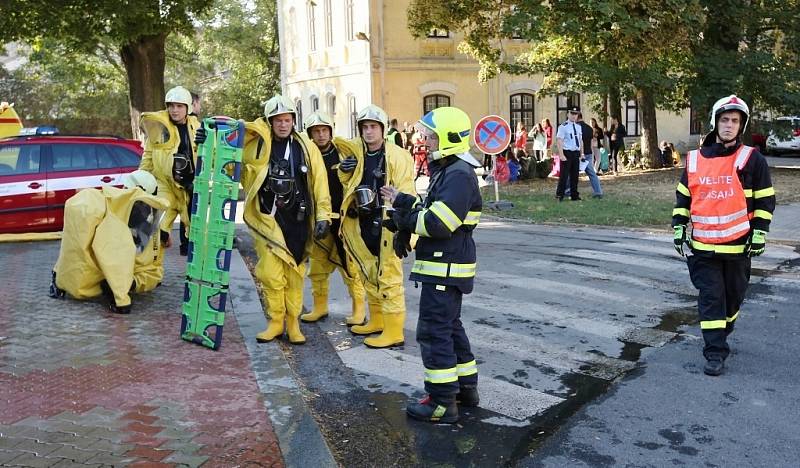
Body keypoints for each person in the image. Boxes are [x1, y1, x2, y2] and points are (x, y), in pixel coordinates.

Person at [380, 106, 482, 424]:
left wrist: (402, 220)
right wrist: (401, 202)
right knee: (449, 328)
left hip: (444, 267)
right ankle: (465, 389)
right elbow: (430, 208)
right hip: (446, 267)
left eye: (432, 136)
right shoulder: (451, 170)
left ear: (448, 138)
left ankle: (440, 403)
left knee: (433, 331)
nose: (426, 141)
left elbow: (438, 223)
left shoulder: (458, 175)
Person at [672, 95, 775, 376]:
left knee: (733, 299)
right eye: (725, 119)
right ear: (715, 122)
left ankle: (724, 328)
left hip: (738, 247)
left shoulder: (752, 159)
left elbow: (766, 200)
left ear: (741, 125)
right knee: (711, 298)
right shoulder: (694, 160)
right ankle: (714, 352)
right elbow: (684, 197)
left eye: (735, 121)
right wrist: (679, 226)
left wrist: (760, 233)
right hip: (703, 247)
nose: (729, 125)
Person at [236, 95, 332, 345]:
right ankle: (275, 322)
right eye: (277, 120)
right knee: (270, 274)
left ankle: (293, 323)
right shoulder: (256, 145)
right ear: (269, 122)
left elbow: (320, 183)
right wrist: (208, 145)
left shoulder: (306, 148)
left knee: (295, 275)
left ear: (293, 121)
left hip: (298, 221)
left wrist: (323, 216)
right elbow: (230, 165)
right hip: (268, 220)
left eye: (287, 119)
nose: (282, 124)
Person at [338, 105, 416, 348]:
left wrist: (402, 226)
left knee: (389, 276)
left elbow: (406, 191)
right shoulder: (357, 154)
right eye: (365, 127)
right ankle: (377, 321)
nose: (368, 131)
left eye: (373, 127)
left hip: (386, 224)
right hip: (361, 221)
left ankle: (394, 331)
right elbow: (348, 187)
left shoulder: (397, 156)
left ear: (382, 129)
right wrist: (343, 171)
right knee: (368, 272)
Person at [49, 170, 168, 314]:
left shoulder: (108, 203)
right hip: (98, 272)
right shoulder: (115, 218)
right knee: (153, 274)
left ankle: (59, 280)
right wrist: (121, 301)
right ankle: (126, 285)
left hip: (74, 272)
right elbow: (114, 258)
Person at [299, 111, 367, 326]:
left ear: (330, 131)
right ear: (311, 134)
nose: (321, 135)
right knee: (318, 263)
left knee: (349, 264)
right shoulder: (306, 155)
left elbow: (360, 177)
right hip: (319, 219)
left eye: (324, 130)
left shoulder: (344, 152)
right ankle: (320, 307)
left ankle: (358, 308)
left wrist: (352, 171)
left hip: (344, 218)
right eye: (316, 131)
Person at [139, 86, 200, 261]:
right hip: (165, 185)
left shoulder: (198, 128)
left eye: (179, 106)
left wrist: (207, 143)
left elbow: (211, 156)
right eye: (171, 105)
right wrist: (140, 177)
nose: (174, 110)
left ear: (188, 108)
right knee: (157, 230)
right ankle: (151, 272)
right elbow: (148, 156)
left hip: (190, 189)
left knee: (195, 232)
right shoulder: (158, 128)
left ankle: (195, 274)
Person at [555, 106, 583, 201]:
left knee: (575, 176)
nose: (574, 116)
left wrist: (581, 153)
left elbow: (580, 140)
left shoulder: (578, 127)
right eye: (572, 114)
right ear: (568, 114)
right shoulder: (563, 127)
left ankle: (574, 194)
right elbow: (559, 140)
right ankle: (560, 194)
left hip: (575, 152)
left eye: (576, 114)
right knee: (564, 175)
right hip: (567, 152)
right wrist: (561, 154)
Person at [572, 112, 603, 198]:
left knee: (572, 172)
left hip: (578, 153)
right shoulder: (589, 128)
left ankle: (567, 190)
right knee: (592, 173)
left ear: (577, 117)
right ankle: (598, 191)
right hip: (588, 153)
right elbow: (590, 141)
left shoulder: (576, 127)